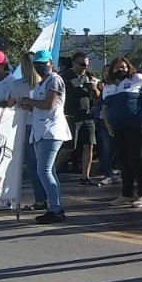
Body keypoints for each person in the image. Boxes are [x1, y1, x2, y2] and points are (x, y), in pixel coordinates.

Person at [15, 49, 72, 224]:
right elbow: (39, 107)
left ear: (51, 63)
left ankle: (55, 208)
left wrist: (28, 101)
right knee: (48, 171)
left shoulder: (54, 79)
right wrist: (28, 106)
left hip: (51, 131)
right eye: (37, 64)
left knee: (44, 170)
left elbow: (49, 104)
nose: (40, 67)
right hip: (40, 131)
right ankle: (55, 207)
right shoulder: (42, 83)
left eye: (43, 64)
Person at [103, 56, 142, 208]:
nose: (121, 69)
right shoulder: (108, 87)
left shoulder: (136, 79)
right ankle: (127, 194)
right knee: (124, 161)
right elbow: (105, 107)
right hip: (118, 129)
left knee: (137, 159)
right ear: (112, 69)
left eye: (124, 66)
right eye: (117, 67)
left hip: (138, 125)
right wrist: (107, 123)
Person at [8, 53, 46, 211]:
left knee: (32, 165)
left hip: (25, 126)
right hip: (43, 126)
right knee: (44, 166)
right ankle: (48, 198)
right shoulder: (45, 83)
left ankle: (41, 199)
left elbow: (9, 104)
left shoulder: (17, 85)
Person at [61, 52, 101, 185]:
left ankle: (85, 177)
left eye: (87, 65)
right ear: (74, 63)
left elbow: (97, 96)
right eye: (82, 64)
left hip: (87, 115)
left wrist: (94, 89)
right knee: (69, 147)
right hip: (71, 115)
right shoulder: (65, 77)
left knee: (89, 145)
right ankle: (52, 170)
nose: (85, 67)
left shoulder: (88, 77)